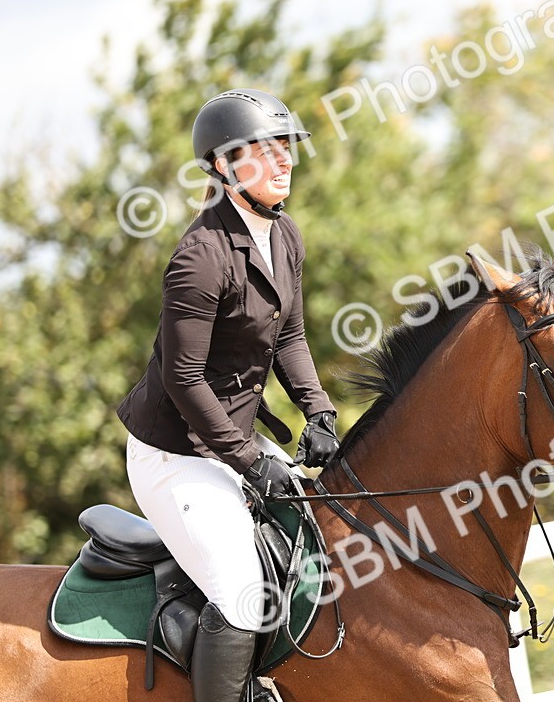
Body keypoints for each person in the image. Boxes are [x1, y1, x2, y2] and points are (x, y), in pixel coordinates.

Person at [117, 88, 340, 702]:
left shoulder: (284, 234)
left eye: (285, 148)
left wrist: (318, 411)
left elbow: (289, 334)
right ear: (221, 166)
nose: (283, 161)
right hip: (176, 454)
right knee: (243, 591)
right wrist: (249, 459)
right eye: (263, 150)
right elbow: (182, 380)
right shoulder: (200, 255)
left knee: (322, 539)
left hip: (234, 437)